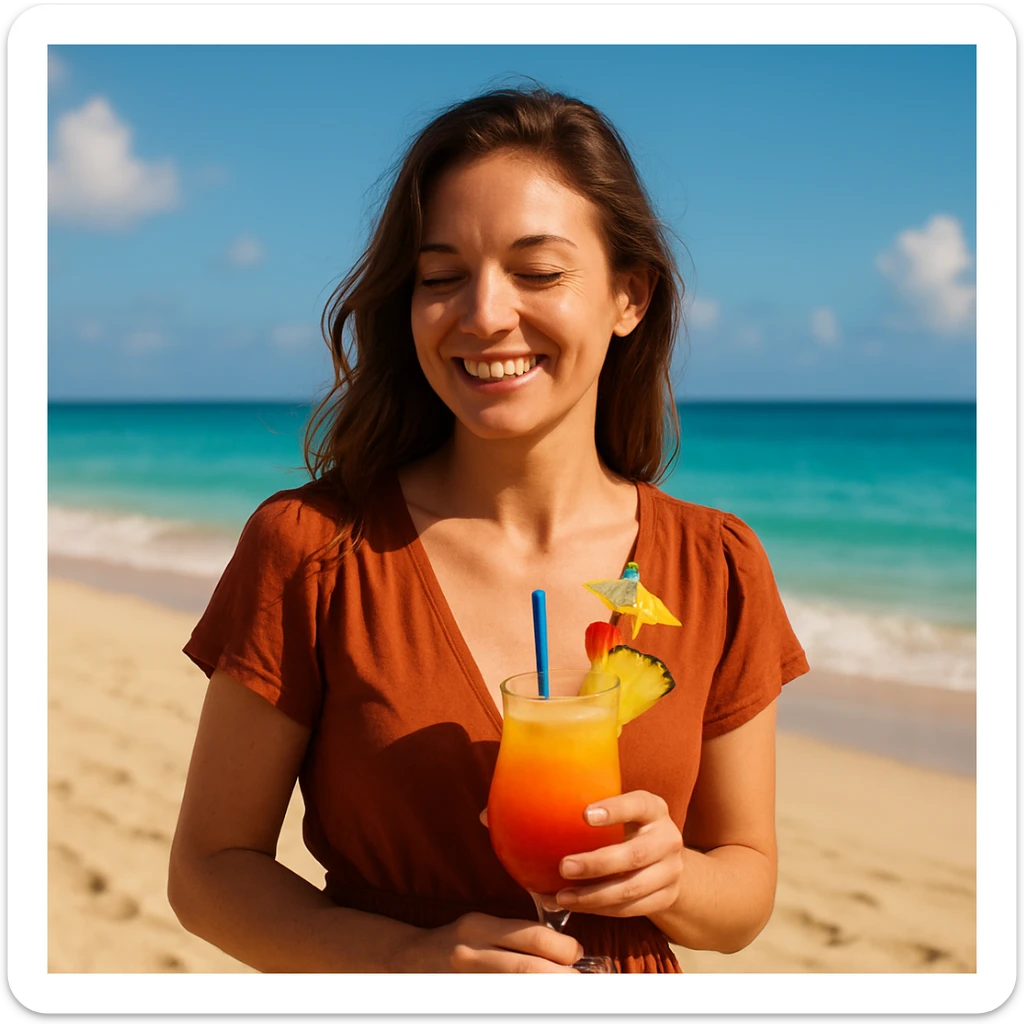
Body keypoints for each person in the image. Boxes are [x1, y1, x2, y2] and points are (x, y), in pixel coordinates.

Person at [167, 86, 808, 974]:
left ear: (630, 296)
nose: (482, 314)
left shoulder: (718, 564)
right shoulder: (311, 549)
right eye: (440, 278)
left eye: (537, 272)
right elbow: (209, 872)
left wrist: (673, 881)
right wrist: (409, 961)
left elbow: (745, 892)